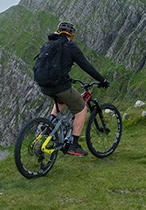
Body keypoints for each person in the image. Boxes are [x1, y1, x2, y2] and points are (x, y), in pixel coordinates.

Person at [36, 21, 110, 157]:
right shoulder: (70, 47)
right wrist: (102, 80)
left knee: (61, 101)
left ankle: (48, 126)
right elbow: (87, 67)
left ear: (59, 32)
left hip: (44, 85)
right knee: (81, 110)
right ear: (71, 34)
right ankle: (73, 145)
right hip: (59, 86)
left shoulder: (50, 44)